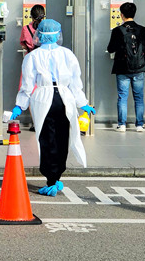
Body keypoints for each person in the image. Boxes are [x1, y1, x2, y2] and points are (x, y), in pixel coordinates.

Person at [9, 19, 95, 197]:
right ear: (57, 35)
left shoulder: (32, 56)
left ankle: (51, 178)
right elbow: (75, 82)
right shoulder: (67, 54)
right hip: (65, 98)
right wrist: (83, 103)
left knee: (46, 138)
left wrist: (20, 106)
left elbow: (27, 85)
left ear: (39, 34)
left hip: (43, 98)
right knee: (63, 137)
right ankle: (57, 177)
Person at [106, 2, 145, 132]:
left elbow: (110, 49)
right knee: (139, 97)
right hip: (139, 67)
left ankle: (122, 125)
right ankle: (139, 125)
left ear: (121, 14)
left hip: (122, 68)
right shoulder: (142, 30)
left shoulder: (117, 30)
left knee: (122, 96)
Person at [19, 4, 46, 131]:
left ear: (31, 16)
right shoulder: (47, 28)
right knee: (44, 90)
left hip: (30, 61)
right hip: (44, 62)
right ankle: (43, 121)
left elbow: (24, 46)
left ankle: (35, 123)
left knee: (29, 91)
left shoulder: (25, 29)